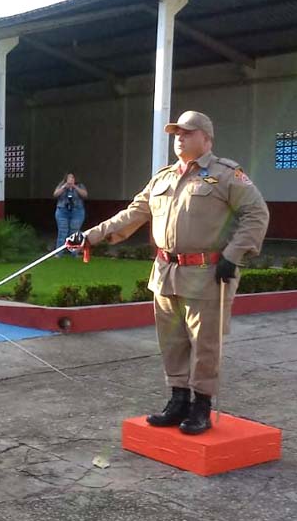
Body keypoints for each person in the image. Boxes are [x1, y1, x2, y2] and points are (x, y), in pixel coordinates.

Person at [68, 111, 269, 435]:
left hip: (206, 272)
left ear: (206, 138)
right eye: (176, 133)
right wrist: (90, 235)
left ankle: (201, 406)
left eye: (187, 133)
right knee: (172, 342)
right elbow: (133, 213)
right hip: (166, 272)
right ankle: (178, 400)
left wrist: (233, 255)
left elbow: (257, 214)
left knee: (204, 344)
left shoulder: (226, 175)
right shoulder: (163, 178)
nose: (179, 138)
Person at [52, 172, 87, 257]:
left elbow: (85, 195)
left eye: (72, 178)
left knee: (74, 232)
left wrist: (75, 187)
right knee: (62, 231)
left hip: (77, 211)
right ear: (66, 179)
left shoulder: (80, 186)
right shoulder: (62, 185)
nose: (70, 180)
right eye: (69, 178)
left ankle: (74, 253)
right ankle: (59, 253)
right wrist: (64, 187)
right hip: (62, 211)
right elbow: (55, 194)